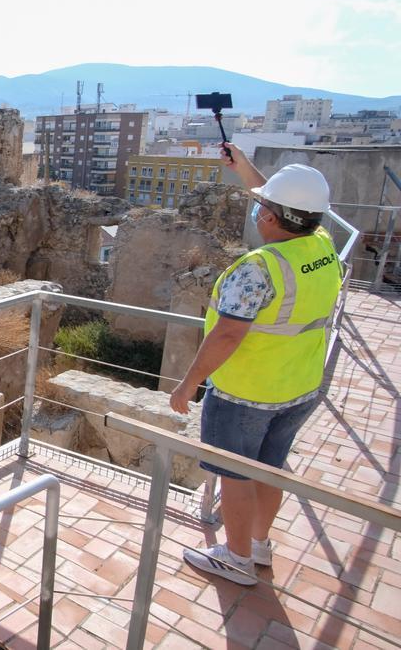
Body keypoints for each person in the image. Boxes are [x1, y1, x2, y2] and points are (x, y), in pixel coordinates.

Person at [169, 143, 342, 586]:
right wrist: (245, 169)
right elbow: (288, 207)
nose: (257, 208)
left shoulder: (258, 269)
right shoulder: (321, 246)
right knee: (269, 469)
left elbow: (226, 334)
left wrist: (189, 384)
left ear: (268, 217)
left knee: (235, 475)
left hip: (248, 392)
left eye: (262, 205)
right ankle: (259, 545)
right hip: (299, 386)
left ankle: (236, 558)